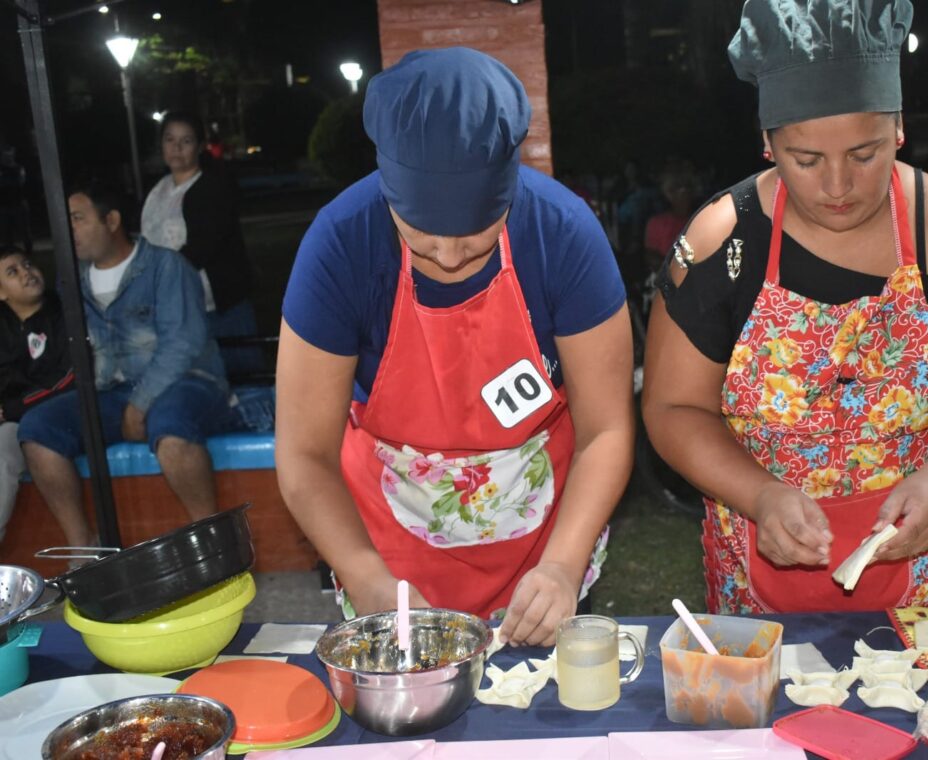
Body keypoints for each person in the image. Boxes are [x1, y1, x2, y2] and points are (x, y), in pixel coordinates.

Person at [641, 0, 928, 615]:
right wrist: (759, 495)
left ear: (897, 128)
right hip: (762, 590)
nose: (837, 187)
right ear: (767, 141)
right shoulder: (721, 243)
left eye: (864, 154)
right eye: (805, 160)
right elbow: (672, 406)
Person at [276, 48, 633, 646]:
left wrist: (564, 566)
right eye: (419, 236)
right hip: (389, 544)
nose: (446, 258)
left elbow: (607, 430)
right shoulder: (341, 245)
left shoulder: (564, 234)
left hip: (543, 535)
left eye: (474, 238)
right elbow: (304, 453)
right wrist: (365, 577)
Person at [18, 181, 232, 548]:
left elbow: (182, 344)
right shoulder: (72, 279)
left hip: (187, 380)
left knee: (171, 428)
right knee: (37, 429)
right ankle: (84, 549)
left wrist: (140, 403)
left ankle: (214, 542)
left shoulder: (165, 266)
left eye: (78, 218)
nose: (68, 230)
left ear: (112, 220)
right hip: (113, 393)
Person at [141, 111, 258, 377]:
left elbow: (203, 247)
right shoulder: (157, 191)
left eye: (186, 141)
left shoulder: (212, 188)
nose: (177, 148)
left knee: (240, 379)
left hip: (219, 307)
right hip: (177, 310)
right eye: (170, 140)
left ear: (200, 145)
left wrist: (160, 276)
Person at [0, 246, 73, 543]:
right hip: (12, 417)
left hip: (50, 415)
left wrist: (10, 410)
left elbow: (71, 380)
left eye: (27, 264)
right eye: (12, 272)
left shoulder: (63, 313)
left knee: (2, 450)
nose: (26, 272)